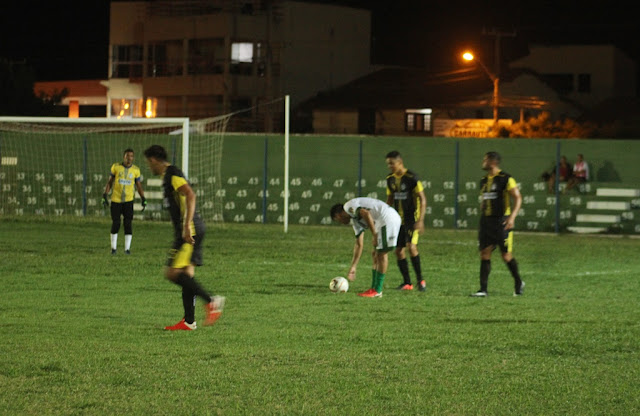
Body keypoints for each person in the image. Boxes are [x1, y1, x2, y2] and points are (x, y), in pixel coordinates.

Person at [143, 144, 225, 330]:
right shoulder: (168, 176)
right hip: (193, 228)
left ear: (154, 160)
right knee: (187, 275)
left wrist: (187, 225)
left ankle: (212, 301)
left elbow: (190, 194)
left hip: (189, 230)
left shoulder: (172, 174)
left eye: (148, 163)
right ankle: (189, 321)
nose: (149, 167)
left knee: (172, 273)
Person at [471, 151, 525, 297]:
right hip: (486, 221)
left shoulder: (505, 179)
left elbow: (518, 197)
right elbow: (485, 198)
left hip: (501, 221)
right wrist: (483, 205)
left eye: (485, 160)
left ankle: (518, 282)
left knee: (506, 255)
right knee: (484, 253)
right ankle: (483, 290)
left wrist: (512, 217)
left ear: (493, 162)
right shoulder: (483, 180)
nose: (483, 162)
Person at [330, 197, 402, 297]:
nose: (341, 223)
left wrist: (375, 235)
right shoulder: (355, 220)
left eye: (338, 220)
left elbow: (366, 213)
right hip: (384, 220)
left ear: (338, 215)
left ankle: (377, 290)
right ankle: (374, 288)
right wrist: (353, 266)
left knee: (381, 254)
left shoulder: (348, 207)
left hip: (387, 219)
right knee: (375, 254)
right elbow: (359, 244)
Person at [384, 151, 427, 291]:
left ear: (400, 162)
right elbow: (390, 200)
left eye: (392, 163)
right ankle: (407, 283)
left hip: (411, 219)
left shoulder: (412, 178)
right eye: (388, 164)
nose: (390, 166)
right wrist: (384, 216)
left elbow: (423, 199)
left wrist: (420, 220)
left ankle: (420, 281)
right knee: (398, 251)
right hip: (397, 220)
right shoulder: (390, 179)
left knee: (411, 247)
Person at [102, 148, 147, 255]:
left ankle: (127, 249)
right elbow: (110, 182)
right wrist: (105, 195)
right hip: (116, 200)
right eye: (127, 156)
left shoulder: (136, 170)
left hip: (128, 201)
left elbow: (138, 186)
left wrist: (143, 198)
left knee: (128, 224)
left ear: (133, 158)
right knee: (116, 223)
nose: (129, 158)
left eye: (131, 156)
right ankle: (113, 248)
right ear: (124, 157)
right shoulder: (116, 167)